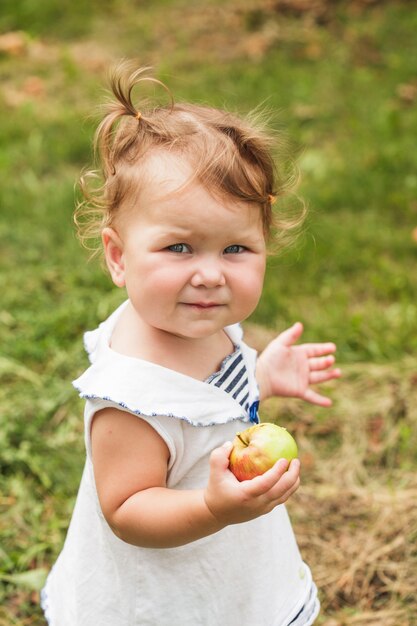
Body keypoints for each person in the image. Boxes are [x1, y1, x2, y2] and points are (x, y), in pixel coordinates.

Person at [41, 63, 341, 626]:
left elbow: (213, 396)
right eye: (180, 248)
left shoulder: (194, 322)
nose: (210, 275)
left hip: (228, 564)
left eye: (236, 250)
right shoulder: (132, 396)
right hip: (165, 592)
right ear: (118, 256)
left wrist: (263, 377)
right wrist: (211, 507)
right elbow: (127, 509)